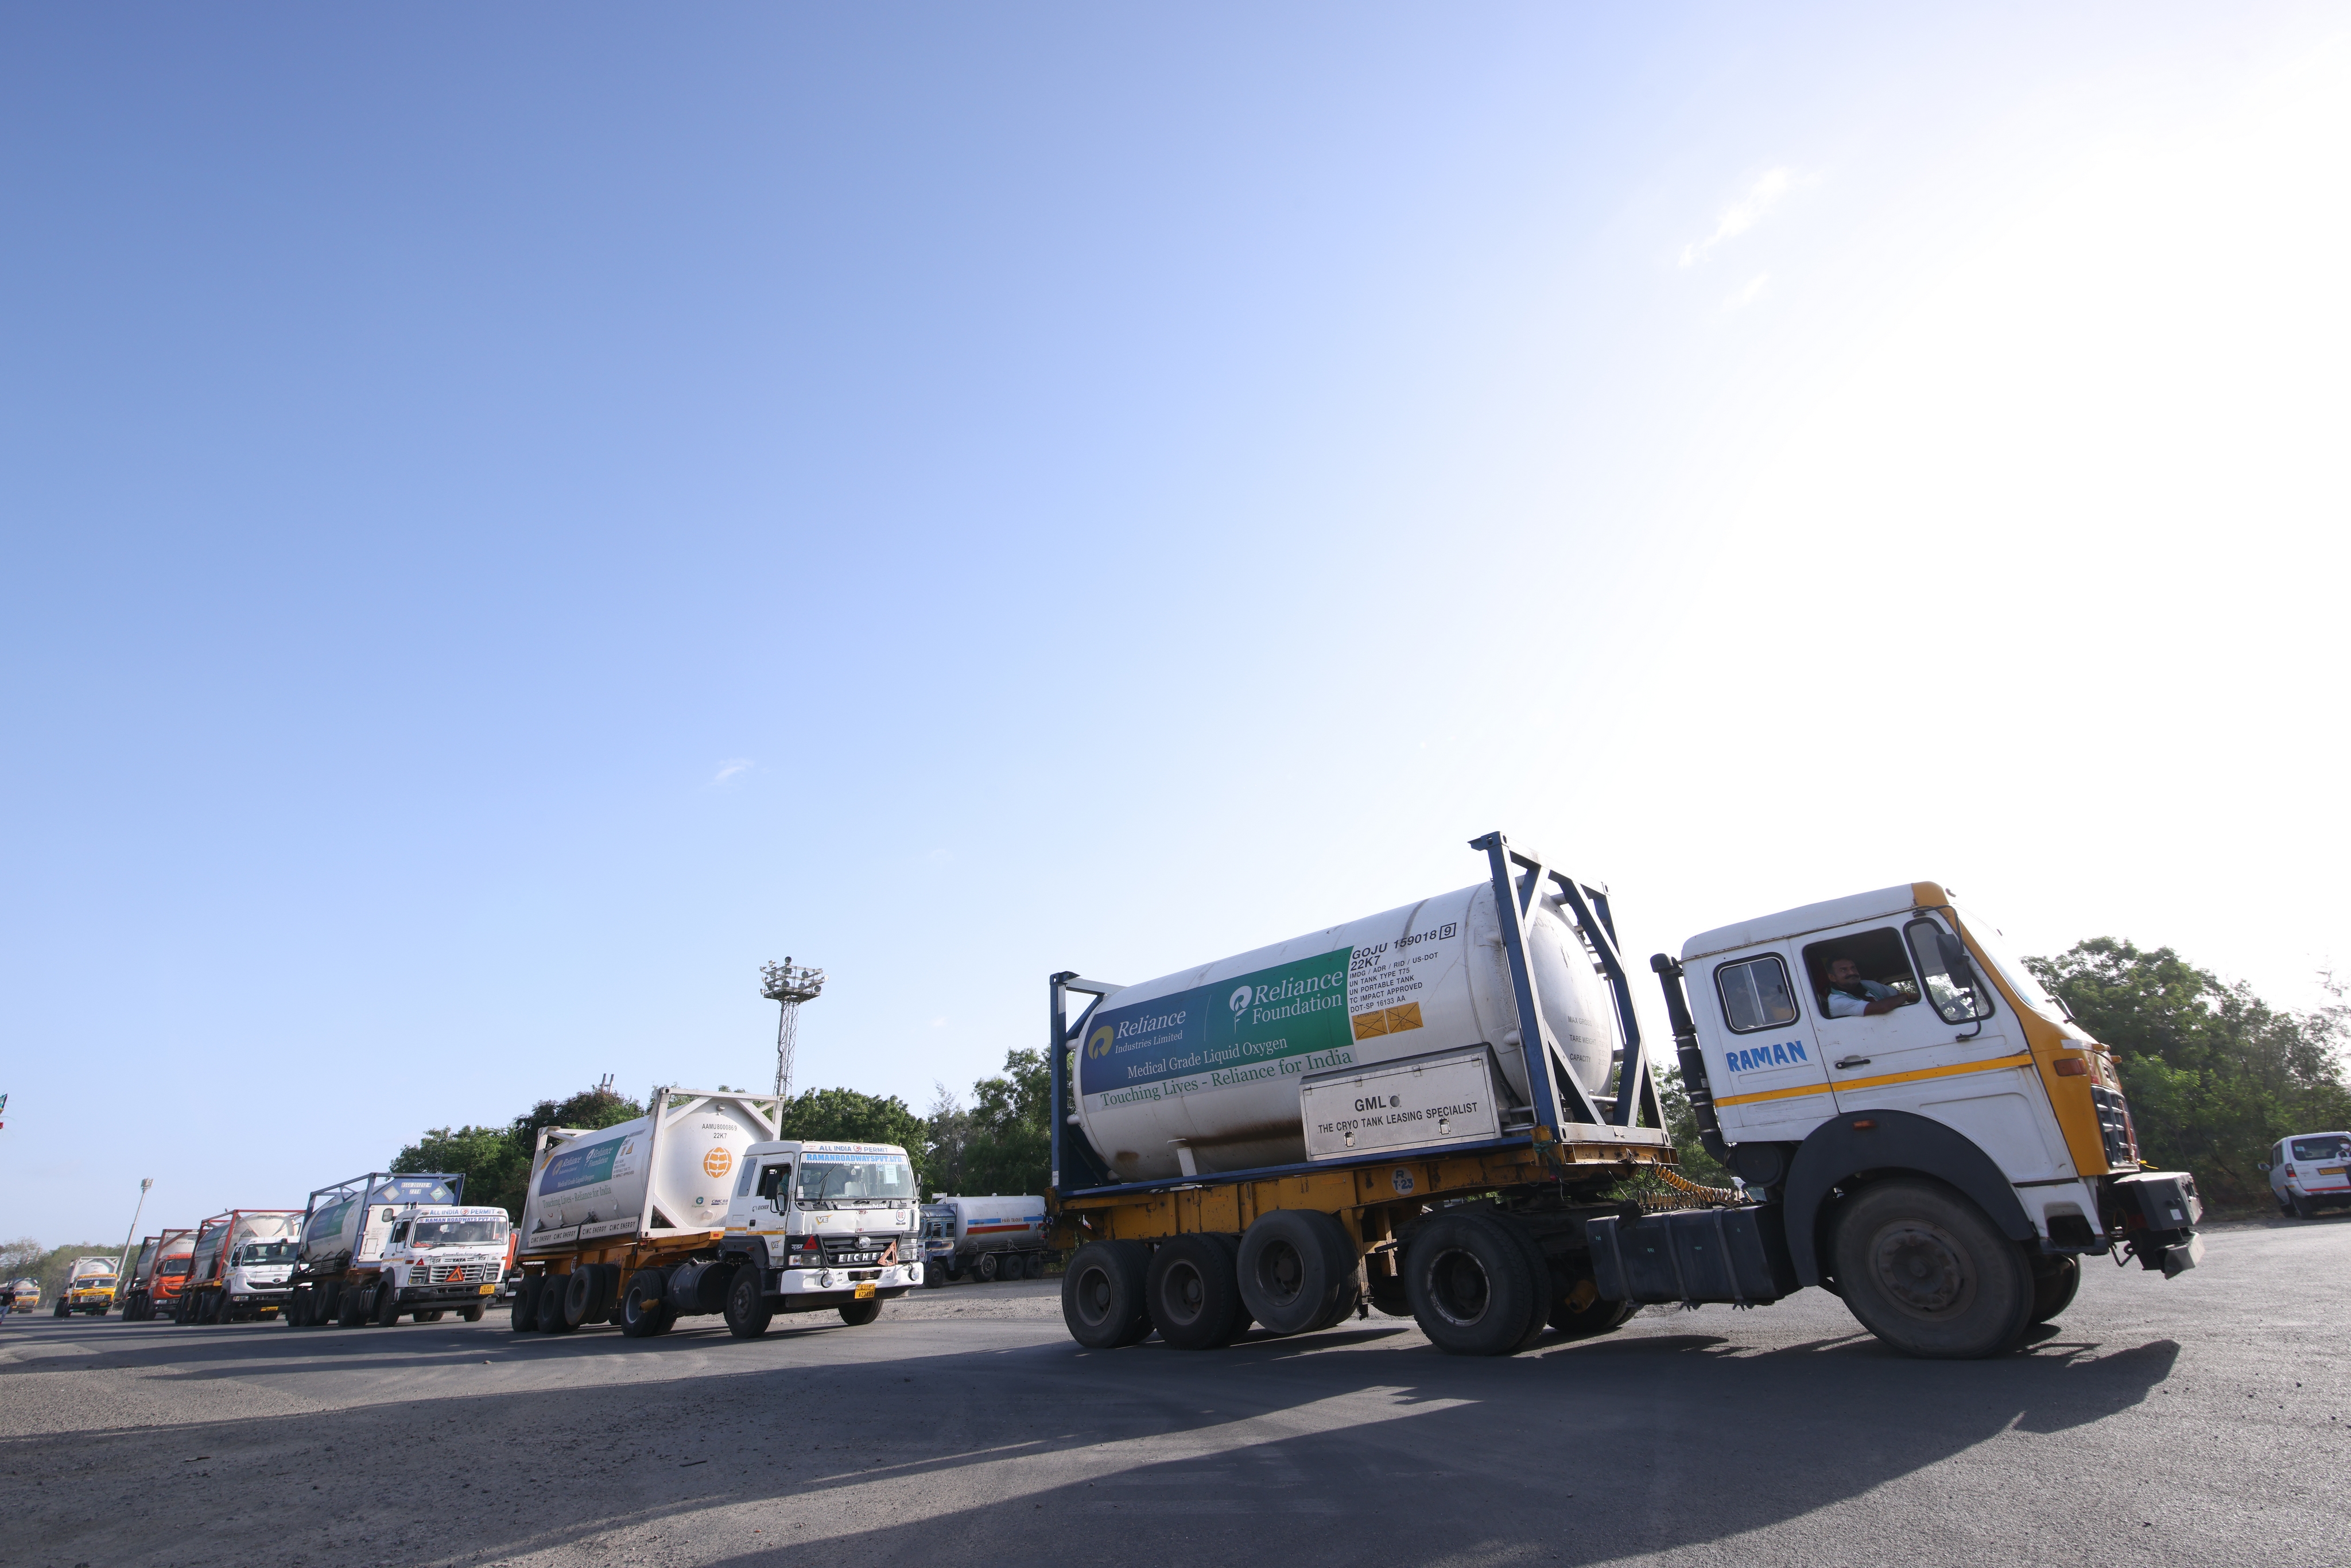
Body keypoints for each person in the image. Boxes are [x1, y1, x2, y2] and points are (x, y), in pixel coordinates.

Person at [1822, 956, 1908, 1018]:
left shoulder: (1868, 985)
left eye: (1853, 968)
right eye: (1843, 970)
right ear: (1832, 978)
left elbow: (1898, 995)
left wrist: (1907, 996)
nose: (1852, 973)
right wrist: (1907, 996)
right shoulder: (1836, 1001)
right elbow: (1882, 1008)